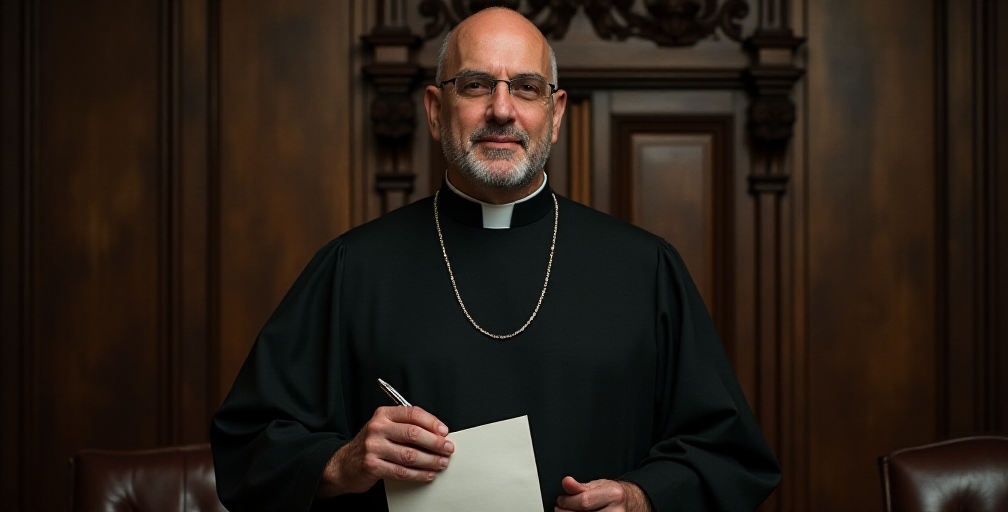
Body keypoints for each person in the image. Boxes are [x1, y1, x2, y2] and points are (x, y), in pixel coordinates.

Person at [210, 7, 780, 512]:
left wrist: (644, 498)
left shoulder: (645, 268)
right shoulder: (353, 267)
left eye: (526, 88)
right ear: (435, 110)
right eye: (477, 85)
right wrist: (339, 463)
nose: (501, 110)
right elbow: (247, 444)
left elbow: (728, 454)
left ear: (555, 114)